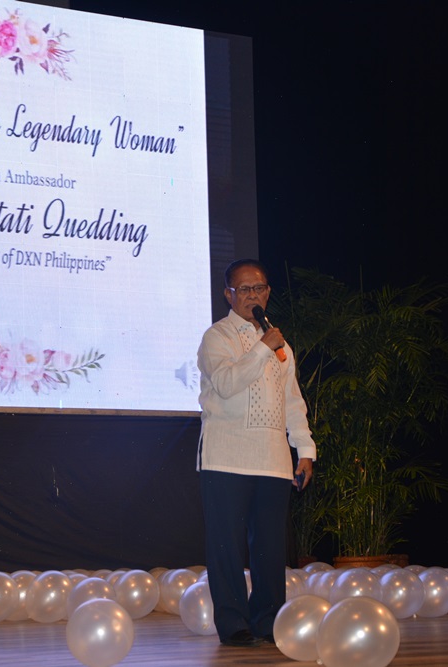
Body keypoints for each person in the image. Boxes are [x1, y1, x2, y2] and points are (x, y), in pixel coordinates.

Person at [196, 258, 316, 647]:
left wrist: (304, 449)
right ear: (228, 294)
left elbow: (292, 401)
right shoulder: (217, 337)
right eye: (244, 289)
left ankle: (267, 621)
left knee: (269, 548)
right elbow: (227, 383)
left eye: (259, 288)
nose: (253, 295)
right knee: (227, 547)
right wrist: (264, 348)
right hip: (225, 457)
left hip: (273, 460)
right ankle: (233, 624)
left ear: (268, 292)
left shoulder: (281, 345)